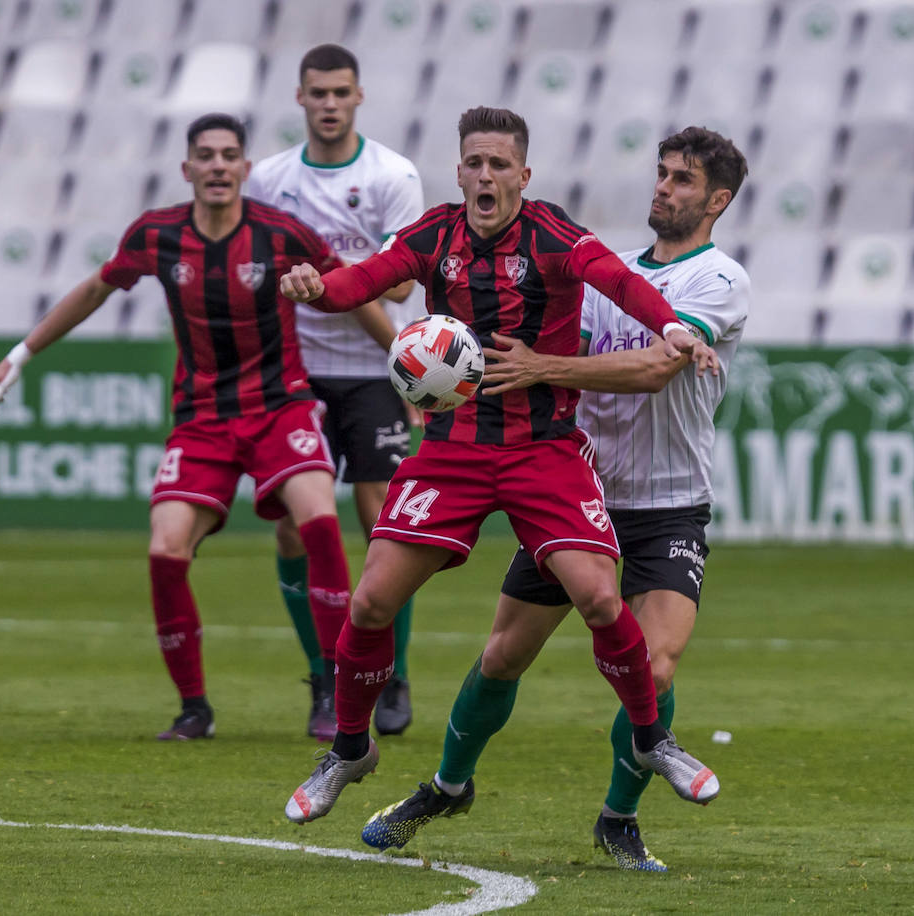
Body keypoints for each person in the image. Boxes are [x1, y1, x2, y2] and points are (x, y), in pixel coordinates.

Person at [277, 106, 722, 826]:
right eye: (474, 164)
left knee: (600, 600)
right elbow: (356, 285)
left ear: (523, 174)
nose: (485, 175)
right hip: (450, 453)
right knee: (369, 603)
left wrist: (670, 325)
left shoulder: (556, 236)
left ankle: (650, 738)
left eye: (499, 164)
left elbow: (620, 283)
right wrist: (314, 288)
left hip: (542, 451)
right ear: (459, 173)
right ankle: (351, 750)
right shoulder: (432, 236)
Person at [0, 113, 356, 742]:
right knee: (165, 548)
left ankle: (332, 688)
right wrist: (17, 358)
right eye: (204, 156)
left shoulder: (283, 233)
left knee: (316, 519)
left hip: (280, 406)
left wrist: (401, 356)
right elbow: (96, 290)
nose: (216, 166)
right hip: (203, 418)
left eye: (228, 155)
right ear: (187, 169)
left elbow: (350, 286)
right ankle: (194, 709)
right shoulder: (158, 235)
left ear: (245, 169)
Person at [246, 44, 426, 740]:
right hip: (296, 373)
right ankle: (325, 675)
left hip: (374, 370)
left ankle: (393, 670)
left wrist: (325, 275)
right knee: (294, 523)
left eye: (340, 92)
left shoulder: (392, 175)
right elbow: (257, 270)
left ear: (358, 97)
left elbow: (404, 281)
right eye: (316, 92)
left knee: (384, 520)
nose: (328, 103)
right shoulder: (270, 178)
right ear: (300, 98)